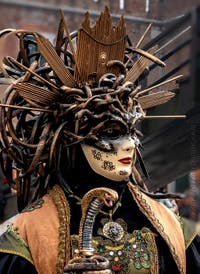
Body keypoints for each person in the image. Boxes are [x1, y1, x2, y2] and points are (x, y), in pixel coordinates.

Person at [0, 7, 199, 274]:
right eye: (111, 133)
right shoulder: (30, 231)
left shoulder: (169, 227)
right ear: (72, 139)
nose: (129, 144)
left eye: (131, 131)